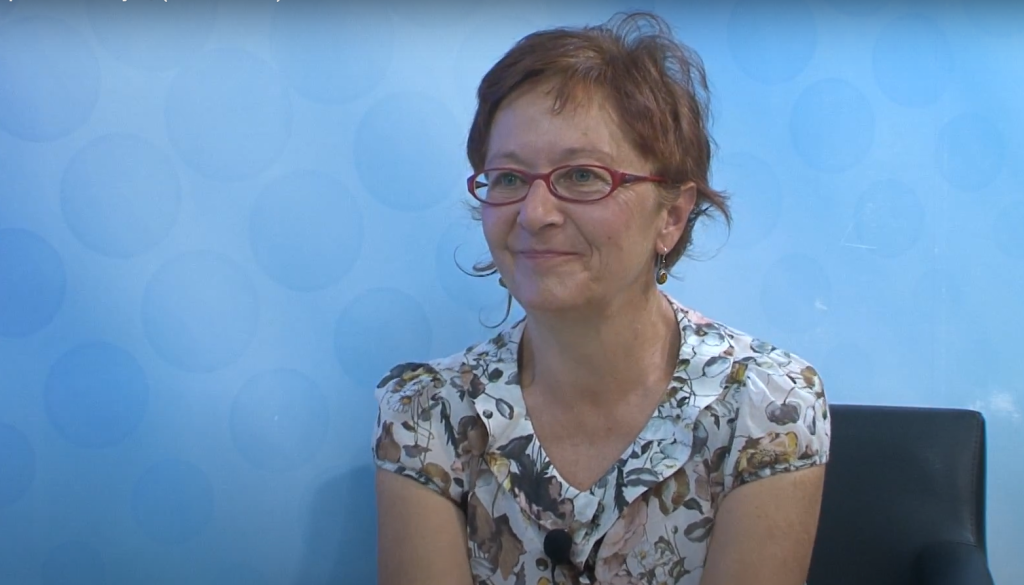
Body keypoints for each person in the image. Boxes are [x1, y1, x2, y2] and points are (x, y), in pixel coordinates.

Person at [371, 11, 830, 585]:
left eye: (583, 176)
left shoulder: (766, 407)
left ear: (672, 215)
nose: (534, 214)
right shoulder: (426, 412)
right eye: (509, 178)